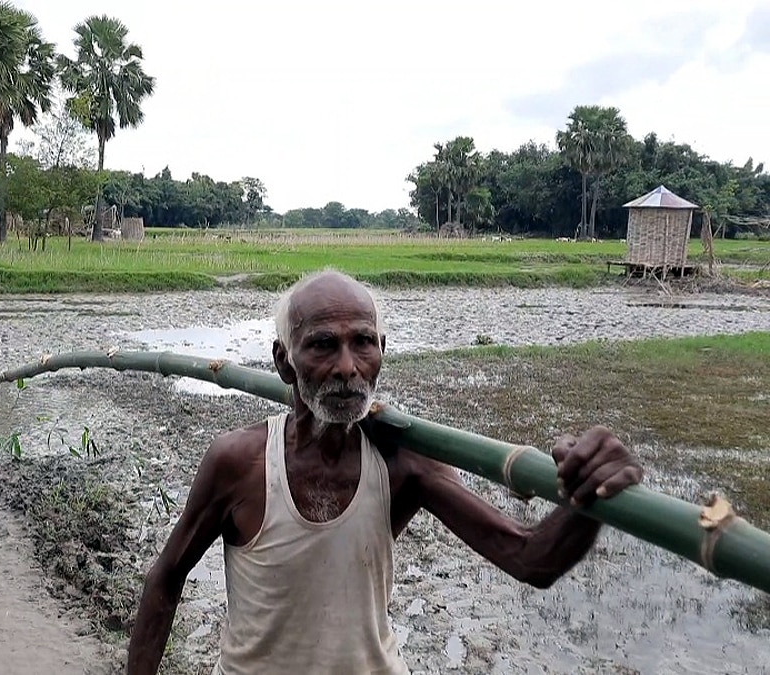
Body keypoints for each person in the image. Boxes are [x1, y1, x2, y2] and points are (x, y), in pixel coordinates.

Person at [125, 269, 644, 675]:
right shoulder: (239, 463)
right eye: (323, 344)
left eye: (363, 343)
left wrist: (588, 492)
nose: (348, 367)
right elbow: (165, 580)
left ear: (381, 354)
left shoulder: (403, 464)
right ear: (285, 362)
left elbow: (530, 558)